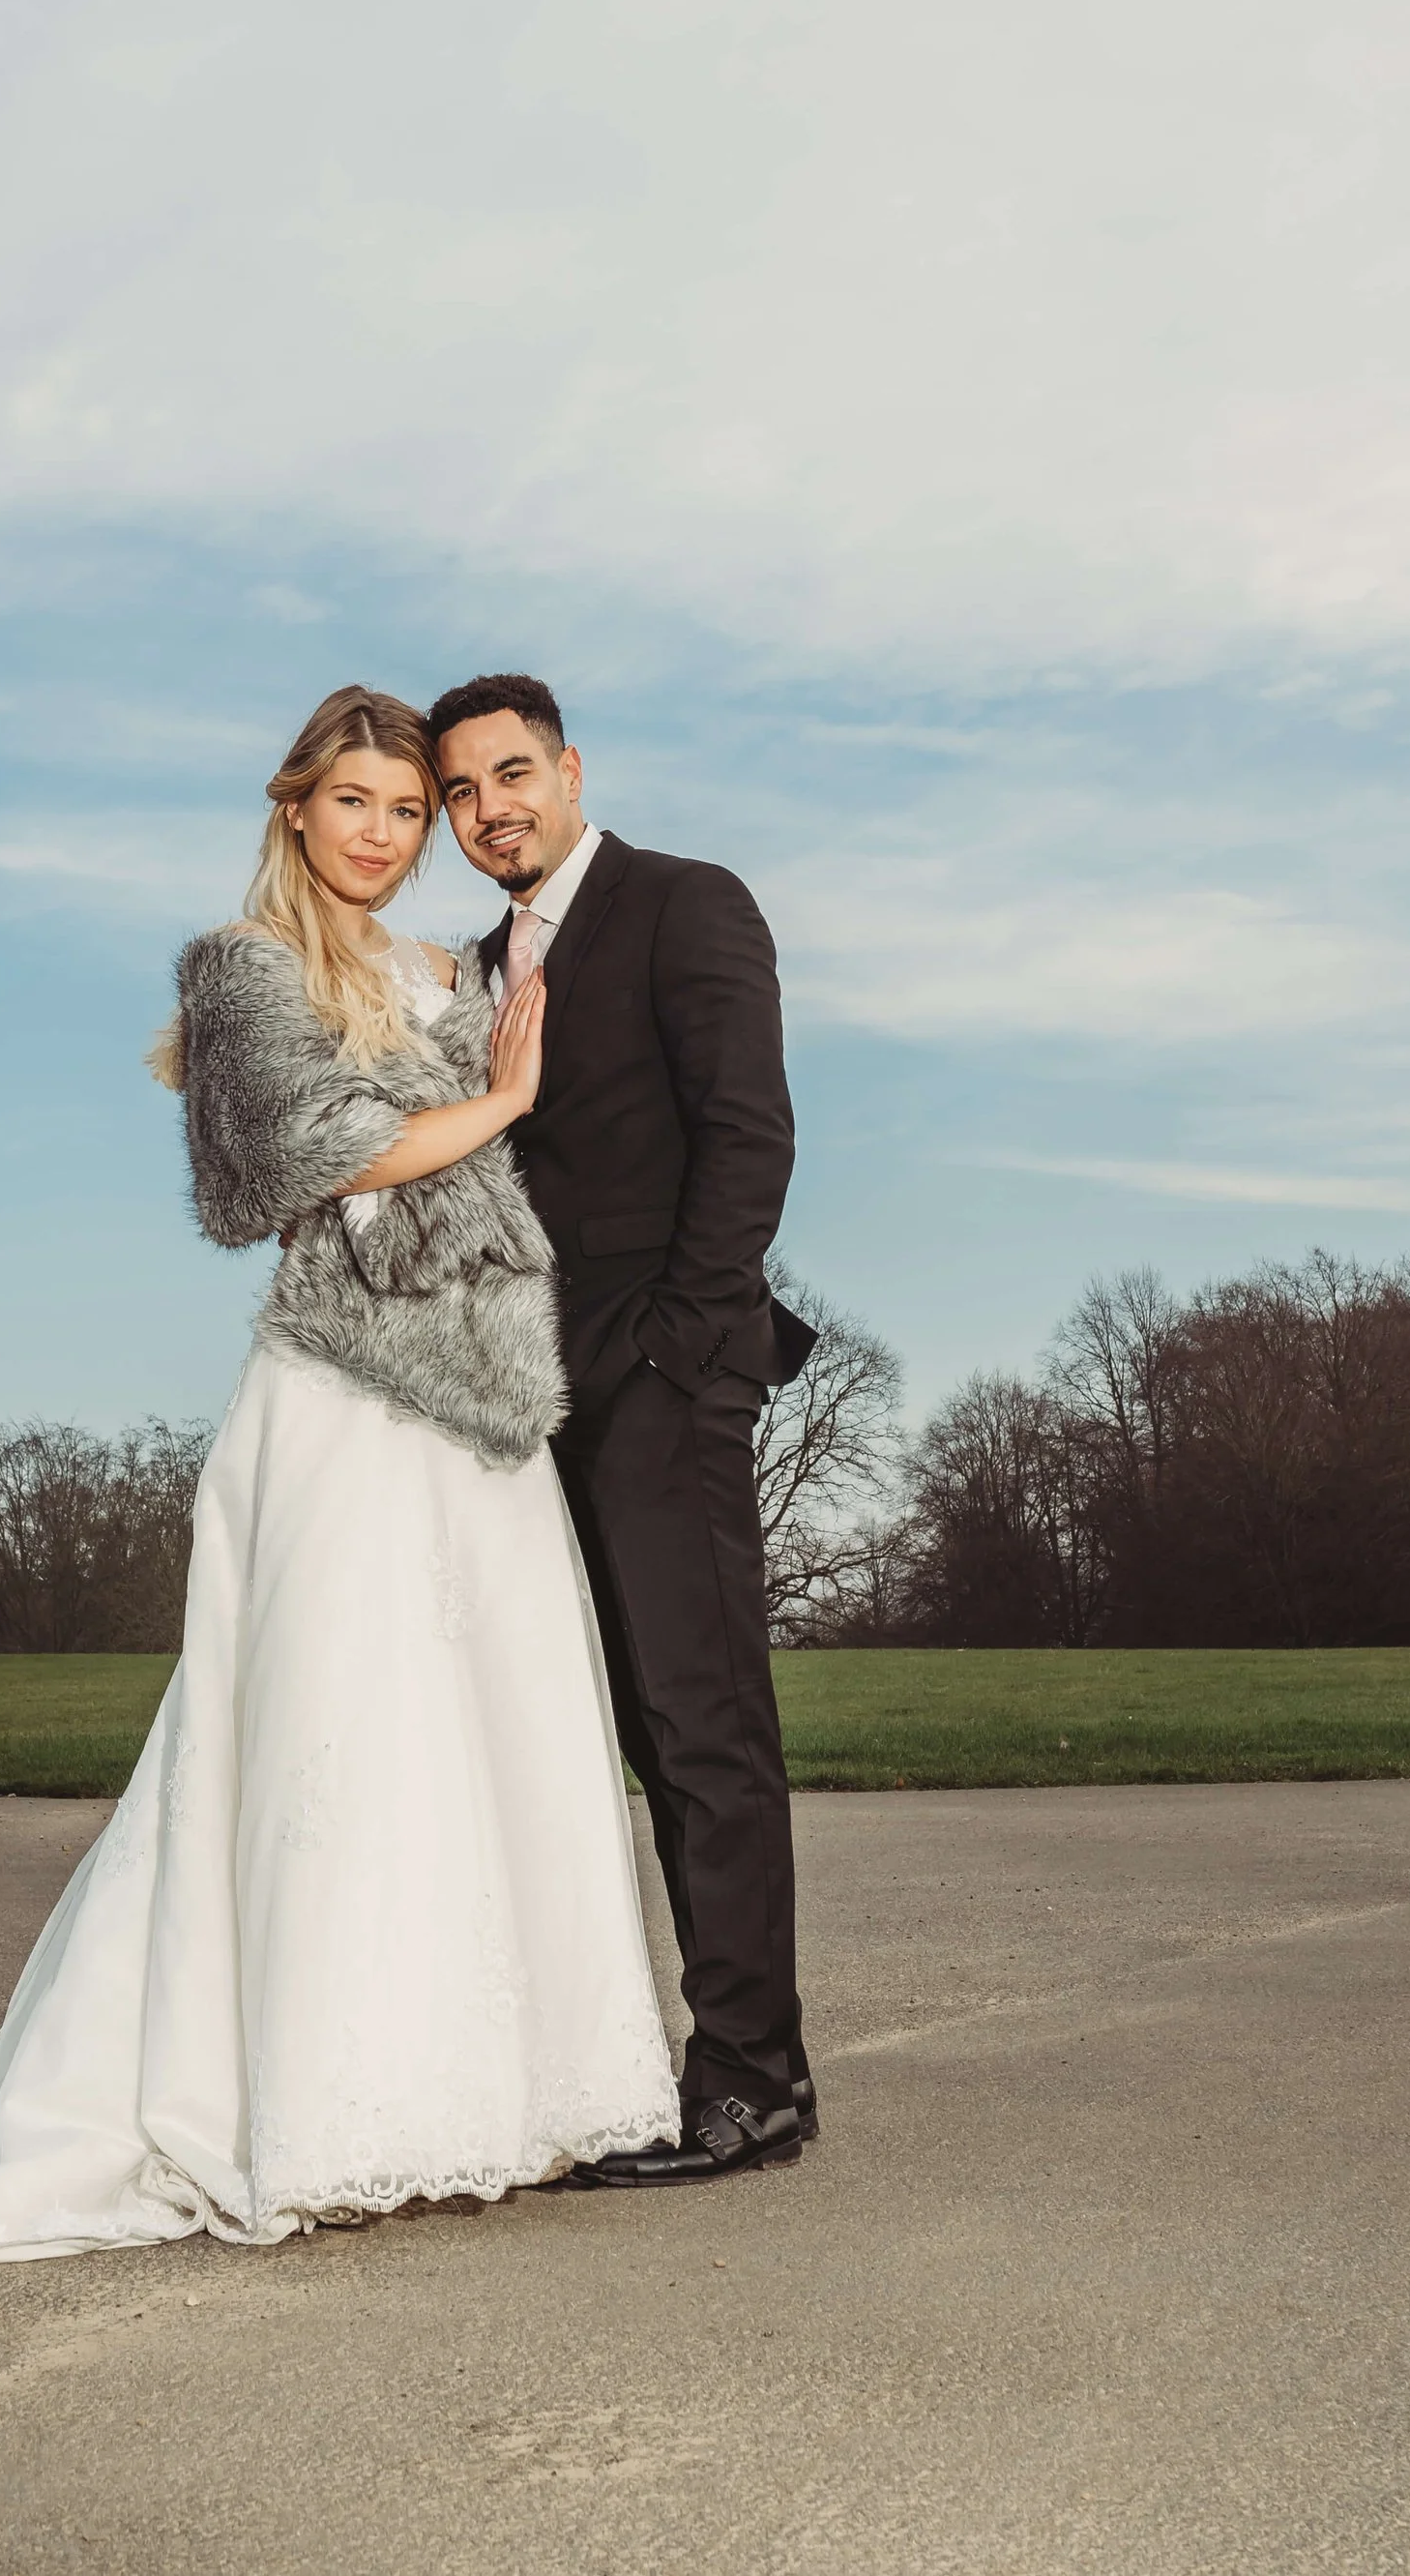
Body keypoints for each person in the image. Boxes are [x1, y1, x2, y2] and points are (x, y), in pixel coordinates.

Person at [0, 686, 676, 2267]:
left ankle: (505, 2093)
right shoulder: (241, 967)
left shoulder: (445, 968)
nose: (386, 835)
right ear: (294, 808)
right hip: (342, 1394)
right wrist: (504, 1101)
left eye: (411, 812)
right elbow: (300, 1156)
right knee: (330, 1732)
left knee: (493, 1726)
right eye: (358, 803)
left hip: (476, 1401)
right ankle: (321, 2104)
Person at [428, 672, 817, 2184]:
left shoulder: (683, 904)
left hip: (661, 1382)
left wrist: (680, 1352)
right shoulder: (473, 970)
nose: (488, 812)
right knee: (621, 1738)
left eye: (510, 775)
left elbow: (748, 1128)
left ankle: (755, 2082)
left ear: (572, 767)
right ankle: (657, 2064)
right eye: (461, 794)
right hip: (530, 1409)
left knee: (706, 1729)